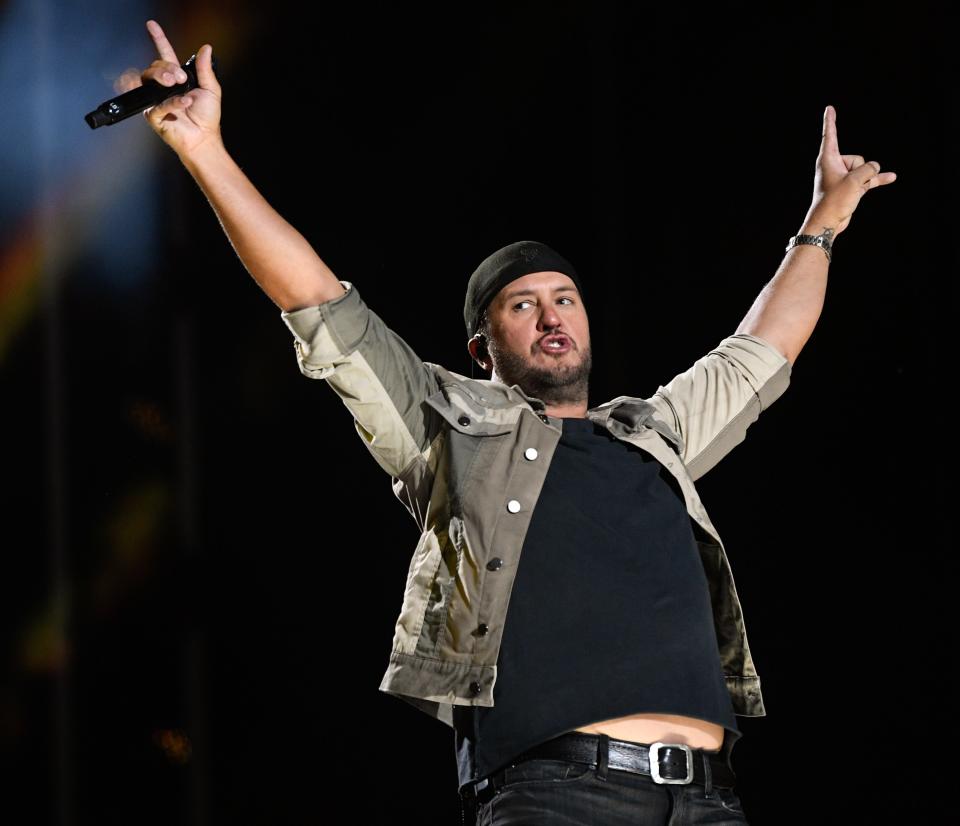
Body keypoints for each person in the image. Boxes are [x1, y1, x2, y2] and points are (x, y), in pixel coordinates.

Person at [123, 19, 897, 825]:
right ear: (483, 344)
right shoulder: (449, 428)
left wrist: (824, 222)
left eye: (565, 299)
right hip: (556, 797)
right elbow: (318, 303)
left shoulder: (653, 434)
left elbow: (759, 351)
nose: (551, 315)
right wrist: (203, 150)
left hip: (708, 800)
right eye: (523, 305)